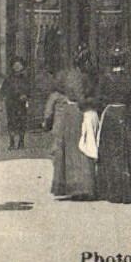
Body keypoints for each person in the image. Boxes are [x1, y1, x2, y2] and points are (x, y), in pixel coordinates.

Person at [96, 49, 131, 203]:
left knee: (111, 151)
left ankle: (110, 190)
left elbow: (100, 98)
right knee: (129, 151)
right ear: (124, 61)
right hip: (125, 114)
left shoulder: (105, 78)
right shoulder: (130, 78)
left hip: (110, 115)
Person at [42, 68, 96, 200]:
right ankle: (81, 187)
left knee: (63, 154)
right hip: (75, 117)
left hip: (61, 125)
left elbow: (48, 113)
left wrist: (46, 124)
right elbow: (82, 100)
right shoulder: (77, 83)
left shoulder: (57, 95)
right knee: (80, 151)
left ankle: (66, 185)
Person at [2, 58, 29, 150]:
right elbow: (3, 90)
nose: (17, 66)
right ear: (12, 67)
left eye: (19, 64)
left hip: (21, 103)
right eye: (15, 65)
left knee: (22, 121)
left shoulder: (25, 78)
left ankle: (21, 142)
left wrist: (26, 95)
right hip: (11, 103)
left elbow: (30, 89)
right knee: (11, 122)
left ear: (22, 66)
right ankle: (12, 142)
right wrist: (6, 96)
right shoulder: (8, 78)